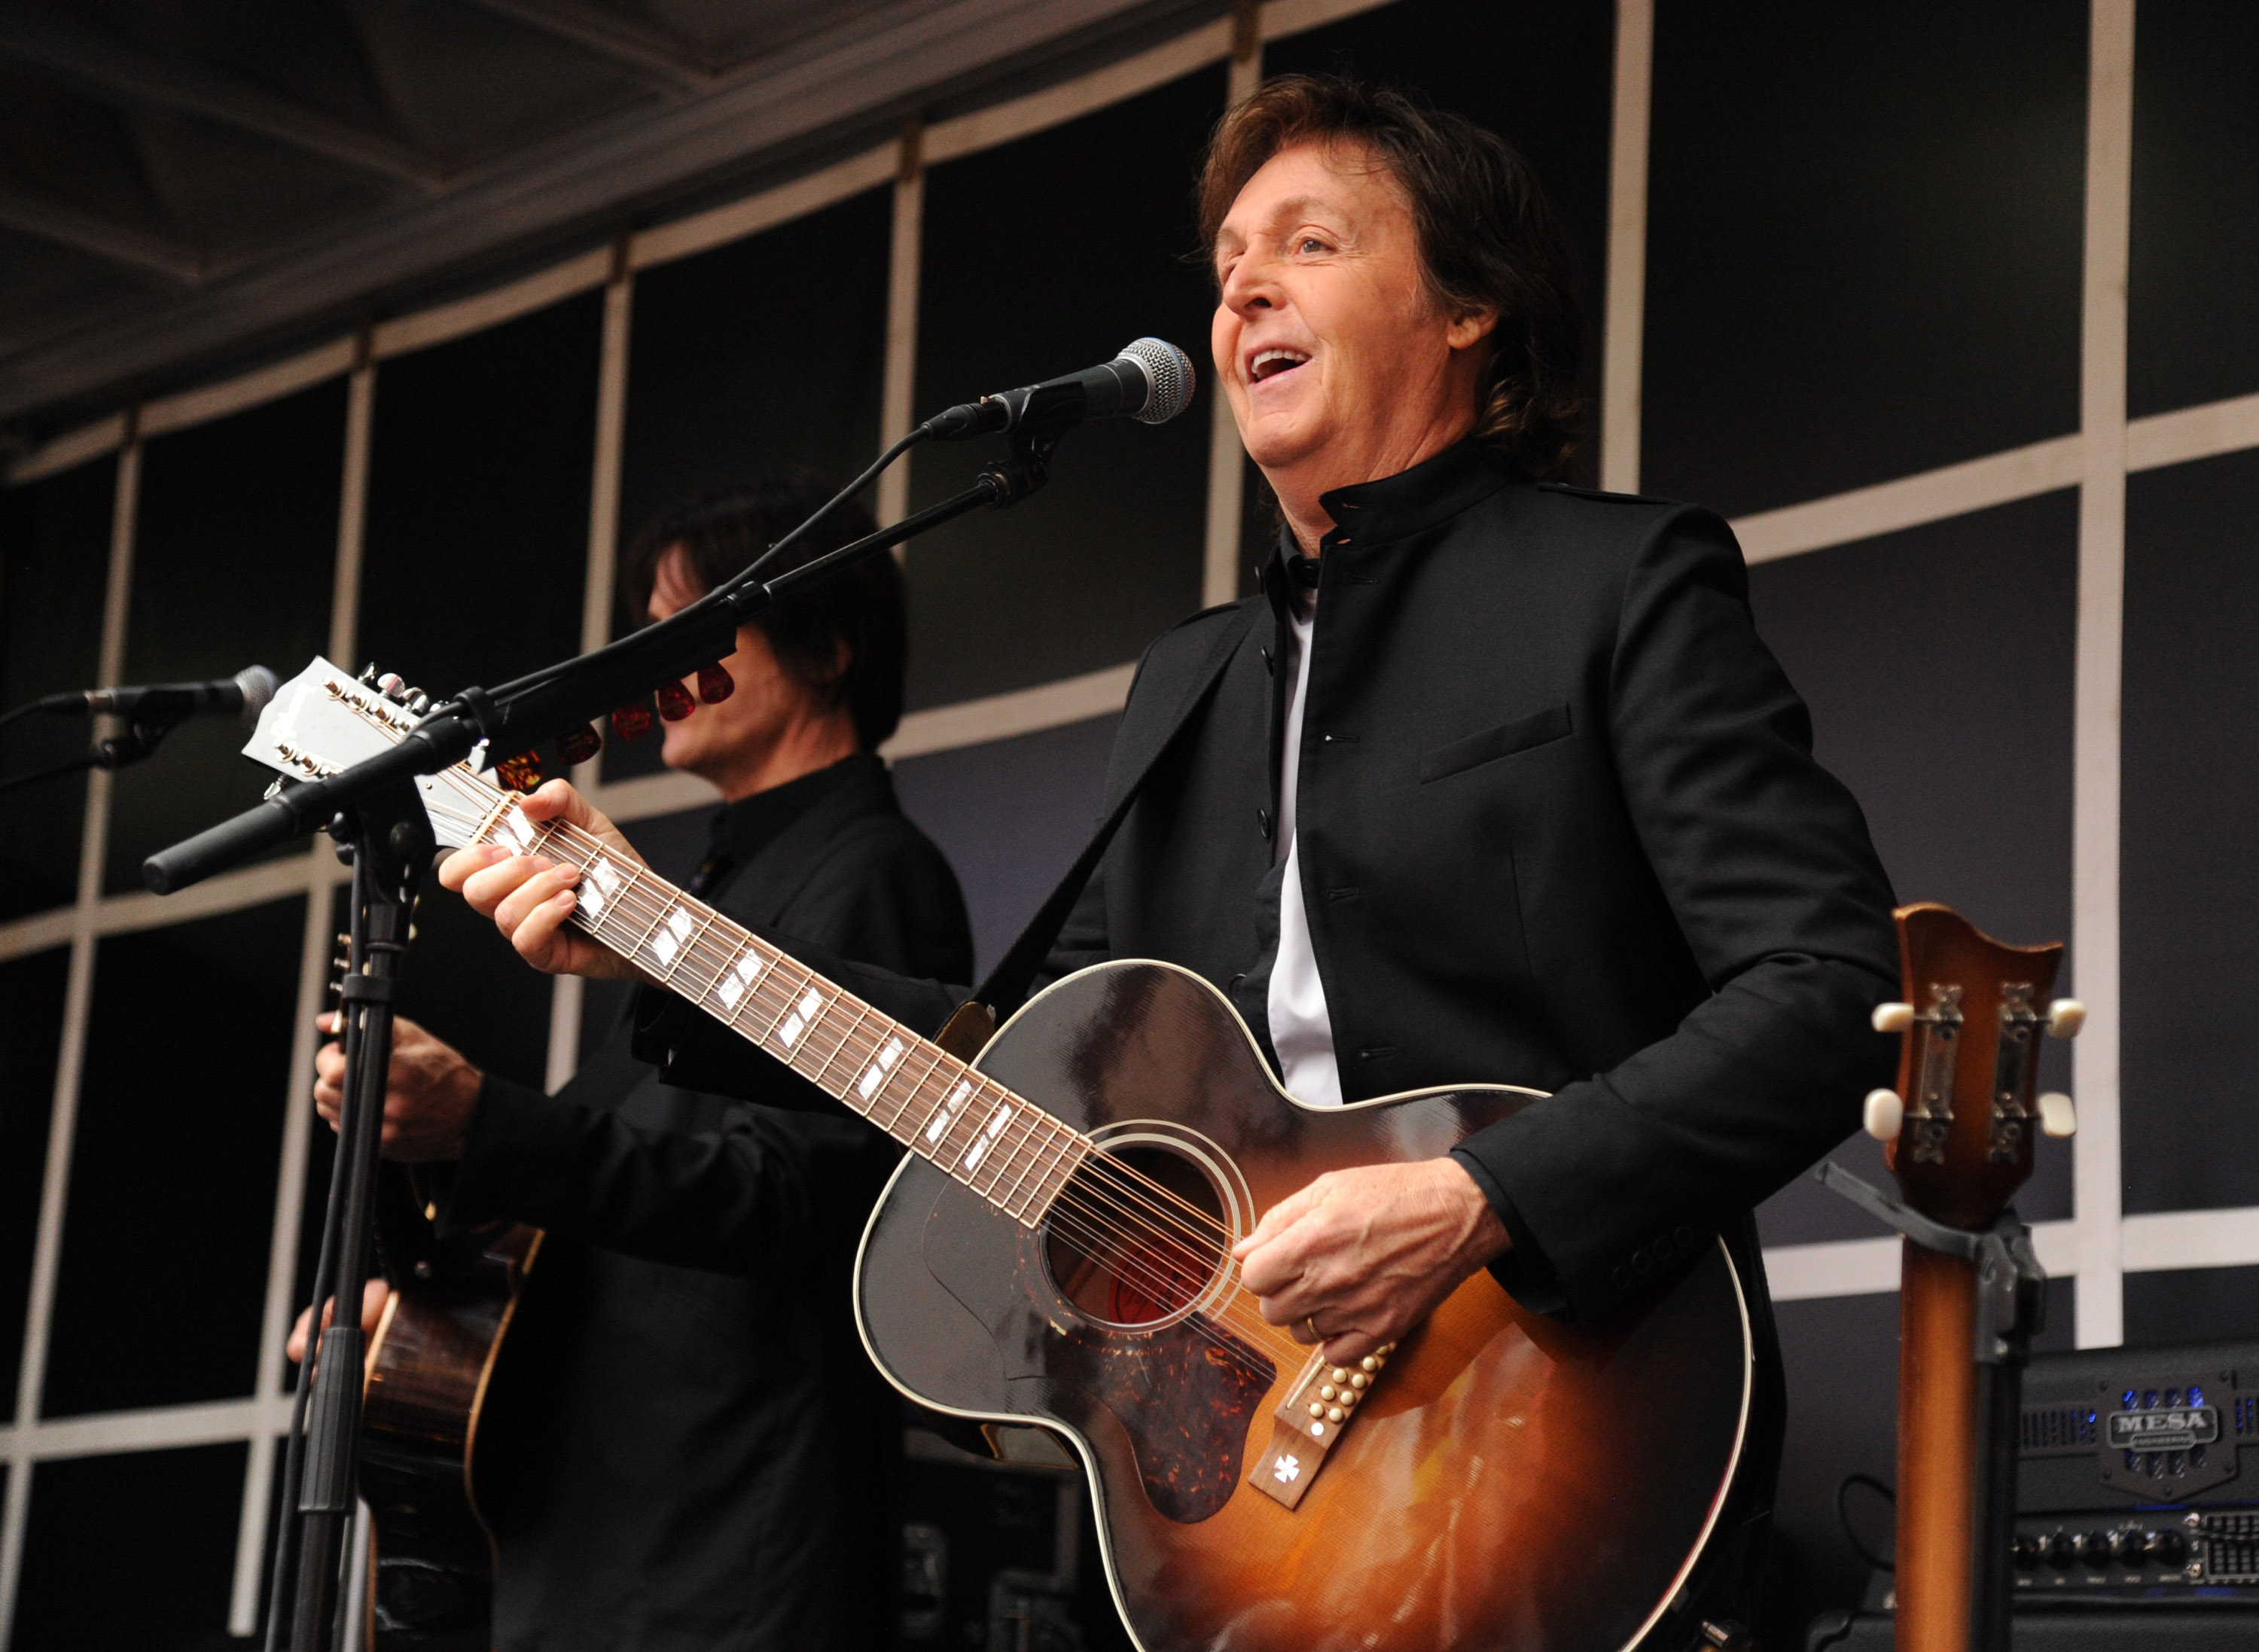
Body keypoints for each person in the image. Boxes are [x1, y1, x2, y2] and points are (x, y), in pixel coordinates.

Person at [442, 77, 1898, 1633]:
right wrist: (654, 932)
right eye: (1224, 266)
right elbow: (1018, 1074)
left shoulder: (1619, 583)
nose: (1244, 289)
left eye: (1309, 244)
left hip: (1564, 1414)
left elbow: (1826, 986)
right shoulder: (1190, 678)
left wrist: (1479, 1195)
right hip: (1261, 1509)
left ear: (1471, 306)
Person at [294, 475, 972, 1650]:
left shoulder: (870, 871)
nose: (660, 661)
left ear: (830, 640)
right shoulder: (723, 884)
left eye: (698, 623)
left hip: (725, 1541)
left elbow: (792, 1196)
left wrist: (480, 1120)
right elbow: (610, 1208)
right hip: (625, 1527)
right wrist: (421, 1309)